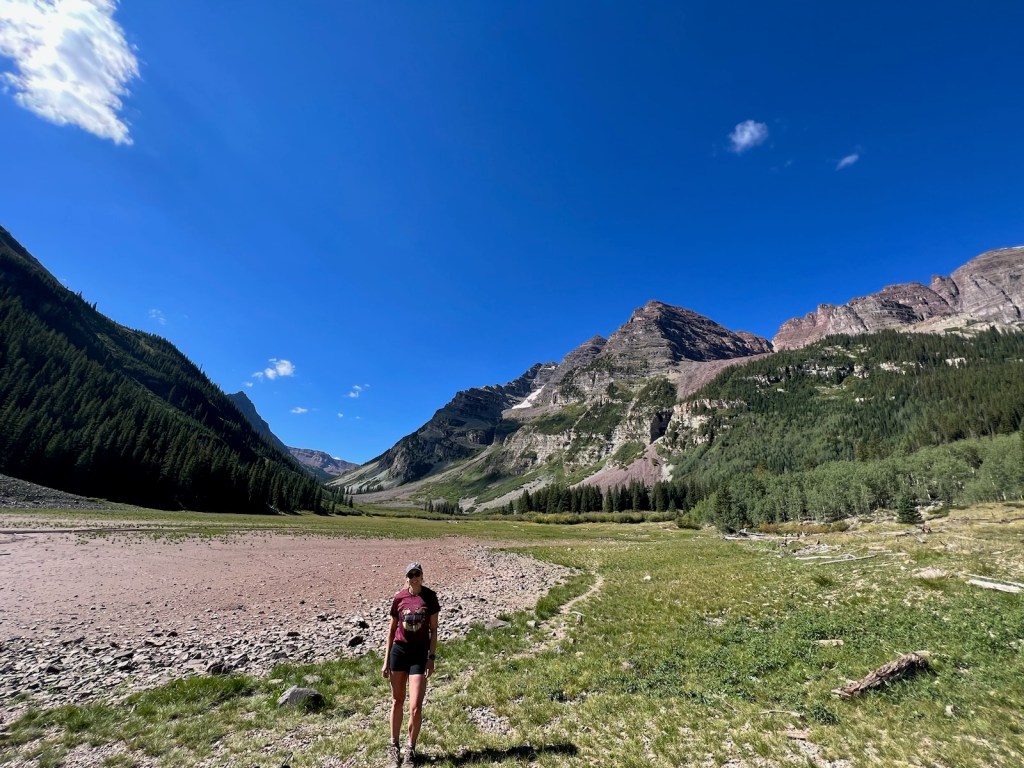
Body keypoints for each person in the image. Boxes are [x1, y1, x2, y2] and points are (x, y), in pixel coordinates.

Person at [382, 561, 440, 767]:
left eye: (417, 574)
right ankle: (393, 746)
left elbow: (434, 630)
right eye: (410, 575)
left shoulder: (430, 597)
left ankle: (410, 749)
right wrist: (386, 661)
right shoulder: (399, 598)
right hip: (399, 652)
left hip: (419, 655)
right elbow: (391, 631)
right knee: (397, 700)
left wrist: (431, 658)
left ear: (422, 576)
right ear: (406, 578)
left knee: (415, 707)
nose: (414, 578)